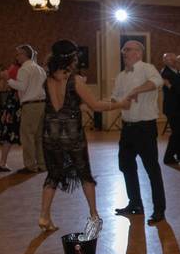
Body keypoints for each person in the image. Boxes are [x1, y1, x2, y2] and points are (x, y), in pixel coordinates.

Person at [36, 40, 124, 231]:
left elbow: (62, 106)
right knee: (85, 174)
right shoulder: (74, 80)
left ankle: (44, 216)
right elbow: (96, 106)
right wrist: (120, 104)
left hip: (50, 133)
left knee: (53, 175)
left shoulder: (49, 78)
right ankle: (94, 215)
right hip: (72, 134)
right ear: (72, 58)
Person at [111, 40, 167, 225]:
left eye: (127, 49)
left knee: (152, 169)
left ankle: (159, 210)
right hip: (127, 128)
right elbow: (116, 97)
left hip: (145, 127)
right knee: (126, 165)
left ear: (138, 53)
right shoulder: (121, 76)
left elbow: (157, 82)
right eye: (123, 49)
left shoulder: (147, 68)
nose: (123, 52)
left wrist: (137, 89)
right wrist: (114, 102)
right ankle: (135, 203)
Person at [6, 45, 47, 173]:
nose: (16, 57)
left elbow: (21, 87)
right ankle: (42, 164)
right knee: (39, 136)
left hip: (30, 105)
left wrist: (8, 80)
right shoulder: (39, 69)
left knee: (27, 136)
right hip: (42, 104)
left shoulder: (24, 69)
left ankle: (30, 166)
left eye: (18, 54)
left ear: (24, 54)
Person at [0, 60, 21, 172]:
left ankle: (2, 162)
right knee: (10, 134)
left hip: (12, 104)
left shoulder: (13, 69)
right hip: (16, 105)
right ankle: (2, 162)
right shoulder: (18, 69)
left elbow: (2, 87)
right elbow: (2, 87)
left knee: (9, 134)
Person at [160, 52, 179, 165]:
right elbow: (174, 90)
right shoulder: (166, 73)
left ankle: (177, 154)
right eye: (170, 59)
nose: (173, 61)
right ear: (165, 61)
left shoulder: (175, 71)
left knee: (179, 131)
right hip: (172, 107)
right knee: (176, 132)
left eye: (174, 59)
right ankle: (168, 157)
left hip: (177, 106)